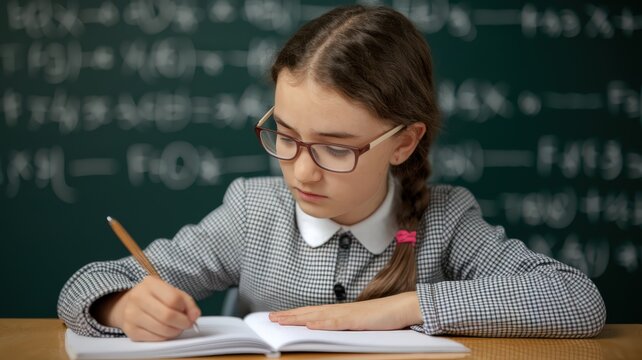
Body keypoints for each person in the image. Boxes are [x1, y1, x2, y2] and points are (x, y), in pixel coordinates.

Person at [58, 5, 606, 341]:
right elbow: (83, 286)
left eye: (335, 148)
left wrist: (402, 309)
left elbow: (577, 301)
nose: (300, 172)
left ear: (405, 142)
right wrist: (123, 305)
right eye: (286, 136)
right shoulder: (254, 214)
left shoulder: (442, 221)